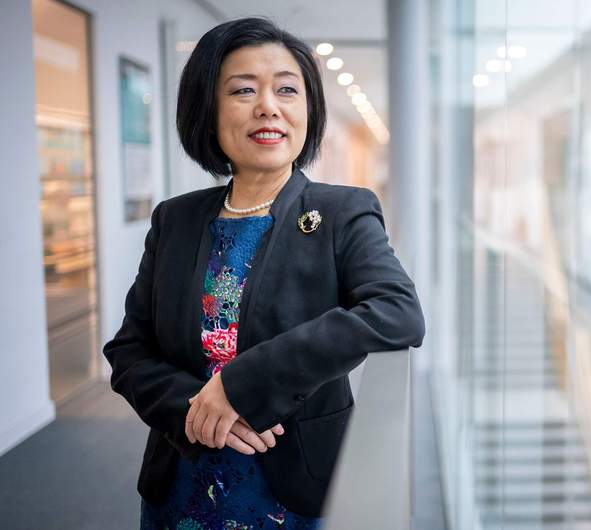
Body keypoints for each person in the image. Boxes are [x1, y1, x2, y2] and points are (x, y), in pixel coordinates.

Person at [102, 17, 426, 530]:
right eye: (243, 90)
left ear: (308, 109)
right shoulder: (175, 219)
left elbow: (397, 312)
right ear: (208, 109)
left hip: (292, 491)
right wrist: (192, 408)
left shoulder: (342, 212)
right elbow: (128, 350)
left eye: (287, 90)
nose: (268, 106)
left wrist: (241, 384)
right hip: (182, 479)